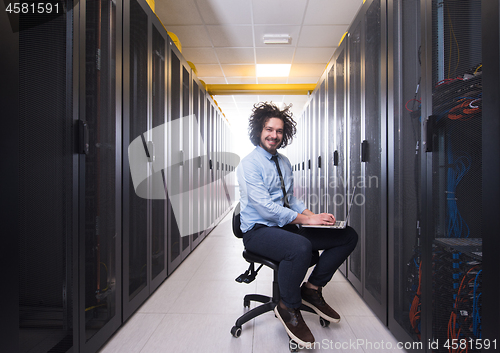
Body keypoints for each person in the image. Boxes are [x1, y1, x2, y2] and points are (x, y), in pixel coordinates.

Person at [236, 102, 358, 348]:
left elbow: (289, 198)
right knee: (301, 247)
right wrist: (306, 221)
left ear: (285, 134)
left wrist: (312, 215)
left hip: (283, 226)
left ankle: (311, 289)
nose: (274, 135)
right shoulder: (249, 164)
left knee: (346, 235)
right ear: (259, 131)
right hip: (258, 231)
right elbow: (265, 208)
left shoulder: (283, 162)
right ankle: (287, 306)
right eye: (269, 129)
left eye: (279, 131)